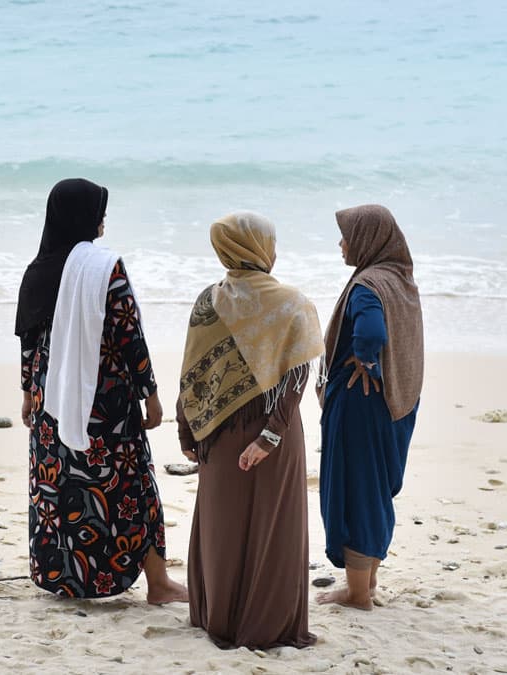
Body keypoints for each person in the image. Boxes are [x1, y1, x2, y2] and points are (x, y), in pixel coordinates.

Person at [16, 178, 187, 604]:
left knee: (60, 487)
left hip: (47, 394)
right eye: (99, 210)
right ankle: (159, 584)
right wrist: (150, 392)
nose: (103, 218)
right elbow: (128, 333)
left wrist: (26, 393)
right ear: (86, 217)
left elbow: (28, 338)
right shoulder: (104, 267)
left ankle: (67, 580)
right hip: (103, 396)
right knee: (130, 485)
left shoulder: (37, 269)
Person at [175, 211, 323, 649]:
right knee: (274, 527)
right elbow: (296, 378)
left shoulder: (209, 300)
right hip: (273, 433)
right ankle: (269, 626)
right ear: (258, 248)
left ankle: (216, 618)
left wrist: (188, 433)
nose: (274, 251)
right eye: (270, 243)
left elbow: (192, 376)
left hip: (219, 433)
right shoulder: (293, 303)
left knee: (221, 526)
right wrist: (271, 436)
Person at [316, 204, 424, 611]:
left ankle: (358, 594)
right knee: (375, 490)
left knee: (355, 492)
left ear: (365, 240)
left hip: (362, 404)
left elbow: (372, 331)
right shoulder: (399, 278)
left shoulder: (367, 285)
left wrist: (365, 359)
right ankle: (369, 581)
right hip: (396, 401)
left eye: (346, 235)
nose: (341, 243)